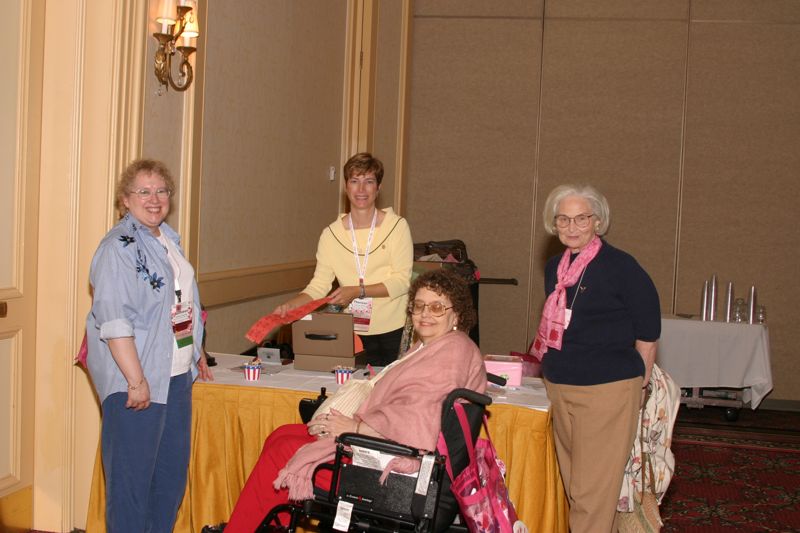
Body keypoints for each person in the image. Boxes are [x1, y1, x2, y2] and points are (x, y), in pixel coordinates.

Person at [217, 269, 486, 533]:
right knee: (281, 435)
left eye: (437, 307)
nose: (426, 313)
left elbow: (418, 422)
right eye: (419, 306)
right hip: (391, 449)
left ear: (457, 314)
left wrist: (353, 429)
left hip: (399, 472)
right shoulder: (432, 346)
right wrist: (345, 423)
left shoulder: (452, 352)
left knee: (284, 451)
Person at [86, 159, 213, 532]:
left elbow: (180, 305)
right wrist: (135, 380)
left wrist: (196, 352)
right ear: (125, 199)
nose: (154, 199)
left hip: (174, 376)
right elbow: (113, 320)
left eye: (161, 190)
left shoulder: (166, 239)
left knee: (168, 483)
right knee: (131, 488)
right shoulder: (118, 248)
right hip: (137, 381)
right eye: (143, 191)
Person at [530, 184, 660, 532]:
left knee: (592, 491)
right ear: (553, 224)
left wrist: (641, 386)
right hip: (560, 384)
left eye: (581, 218)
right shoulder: (556, 266)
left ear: (597, 221)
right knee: (576, 485)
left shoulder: (621, 266)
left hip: (608, 388)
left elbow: (648, 332)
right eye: (563, 219)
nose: (572, 227)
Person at [273, 153, 413, 366]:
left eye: (369, 182)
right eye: (354, 181)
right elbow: (319, 286)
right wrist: (291, 305)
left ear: (378, 187)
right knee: (351, 394)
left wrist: (357, 291)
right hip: (349, 331)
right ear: (346, 187)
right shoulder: (331, 234)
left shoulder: (396, 226)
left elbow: (402, 281)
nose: (361, 189)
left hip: (393, 330)